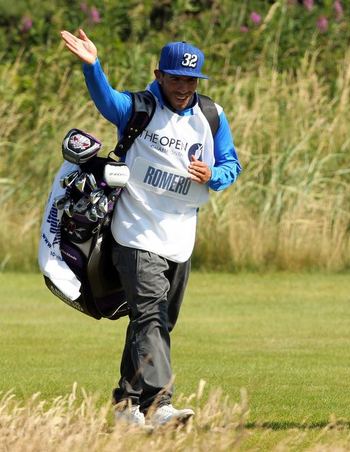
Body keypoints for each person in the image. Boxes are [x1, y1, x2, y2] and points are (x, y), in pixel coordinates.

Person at [60, 29, 241, 428]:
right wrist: (94, 67)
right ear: (159, 75)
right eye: (175, 78)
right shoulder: (139, 107)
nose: (183, 87)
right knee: (151, 318)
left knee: (156, 322)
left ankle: (126, 405)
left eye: (190, 80)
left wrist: (214, 174)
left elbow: (232, 164)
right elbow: (108, 102)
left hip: (180, 235)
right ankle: (160, 405)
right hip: (135, 229)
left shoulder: (211, 115)